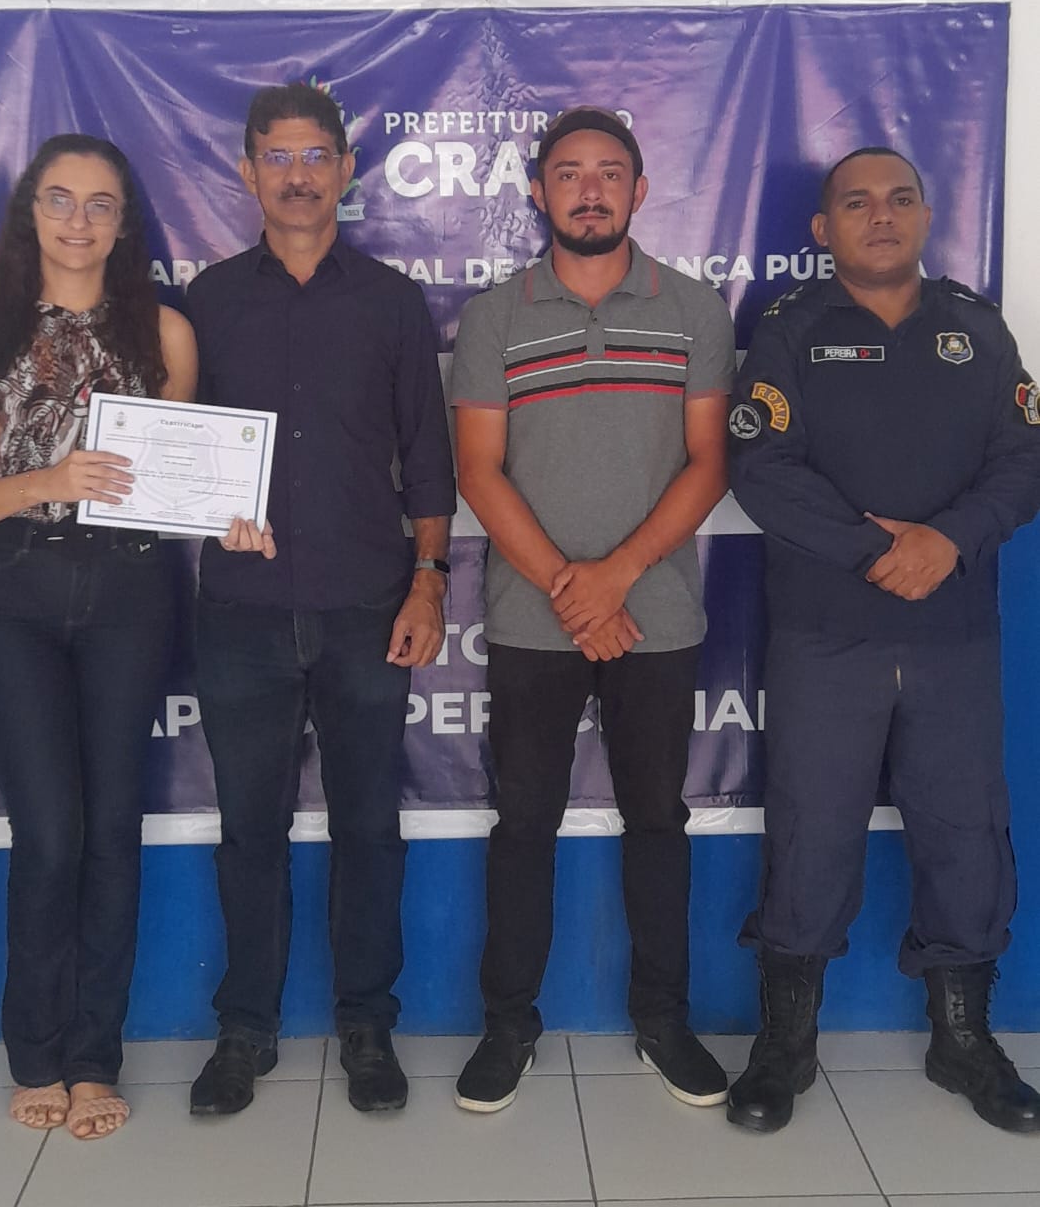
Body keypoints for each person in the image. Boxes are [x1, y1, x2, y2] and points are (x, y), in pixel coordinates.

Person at [726, 147, 1040, 1136]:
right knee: (810, 831)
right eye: (856, 203)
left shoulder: (977, 330)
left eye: (900, 198)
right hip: (828, 635)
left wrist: (948, 540)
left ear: (925, 216)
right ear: (822, 230)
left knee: (963, 831)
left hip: (952, 634)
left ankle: (963, 1043)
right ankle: (784, 1046)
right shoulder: (788, 333)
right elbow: (760, 468)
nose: (881, 215)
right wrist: (877, 553)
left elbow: (1024, 457)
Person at [449, 106, 735, 1113]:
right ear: (537, 192)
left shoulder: (693, 310)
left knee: (657, 819)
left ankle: (663, 1020)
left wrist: (615, 577)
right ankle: (507, 1025)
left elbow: (710, 461)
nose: (589, 189)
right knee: (522, 821)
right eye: (568, 172)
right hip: (533, 617)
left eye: (609, 172)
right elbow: (478, 471)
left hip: (656, 612)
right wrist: (578, 592)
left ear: (639, 190)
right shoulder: (495, 316)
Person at [0, 134, 197, 1139]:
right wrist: (45, 481)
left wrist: (230, 515)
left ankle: (91, 1060)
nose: (79, 220)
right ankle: (34, 1052)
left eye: (100, 204)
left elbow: (178, 482)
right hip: (9, 593)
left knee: (112, 827)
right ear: (29, 212)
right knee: (49, 833)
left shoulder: (163, 331)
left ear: (123, 224)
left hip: (129, 590)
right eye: (61, 200)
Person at [184, 82, 455, 1118]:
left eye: (315, 156)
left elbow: (427, 458)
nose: (297, 176)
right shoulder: (207, 302)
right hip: (240, 608)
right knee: (248, 830)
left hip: (364, 605)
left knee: (368, 828)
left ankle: (367, 1023)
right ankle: (244, 1029)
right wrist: (201, 508)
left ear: (345, 169)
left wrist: (428, 580)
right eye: (277, 156)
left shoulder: (390, 300)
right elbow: (175, 448)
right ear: (247, 171)